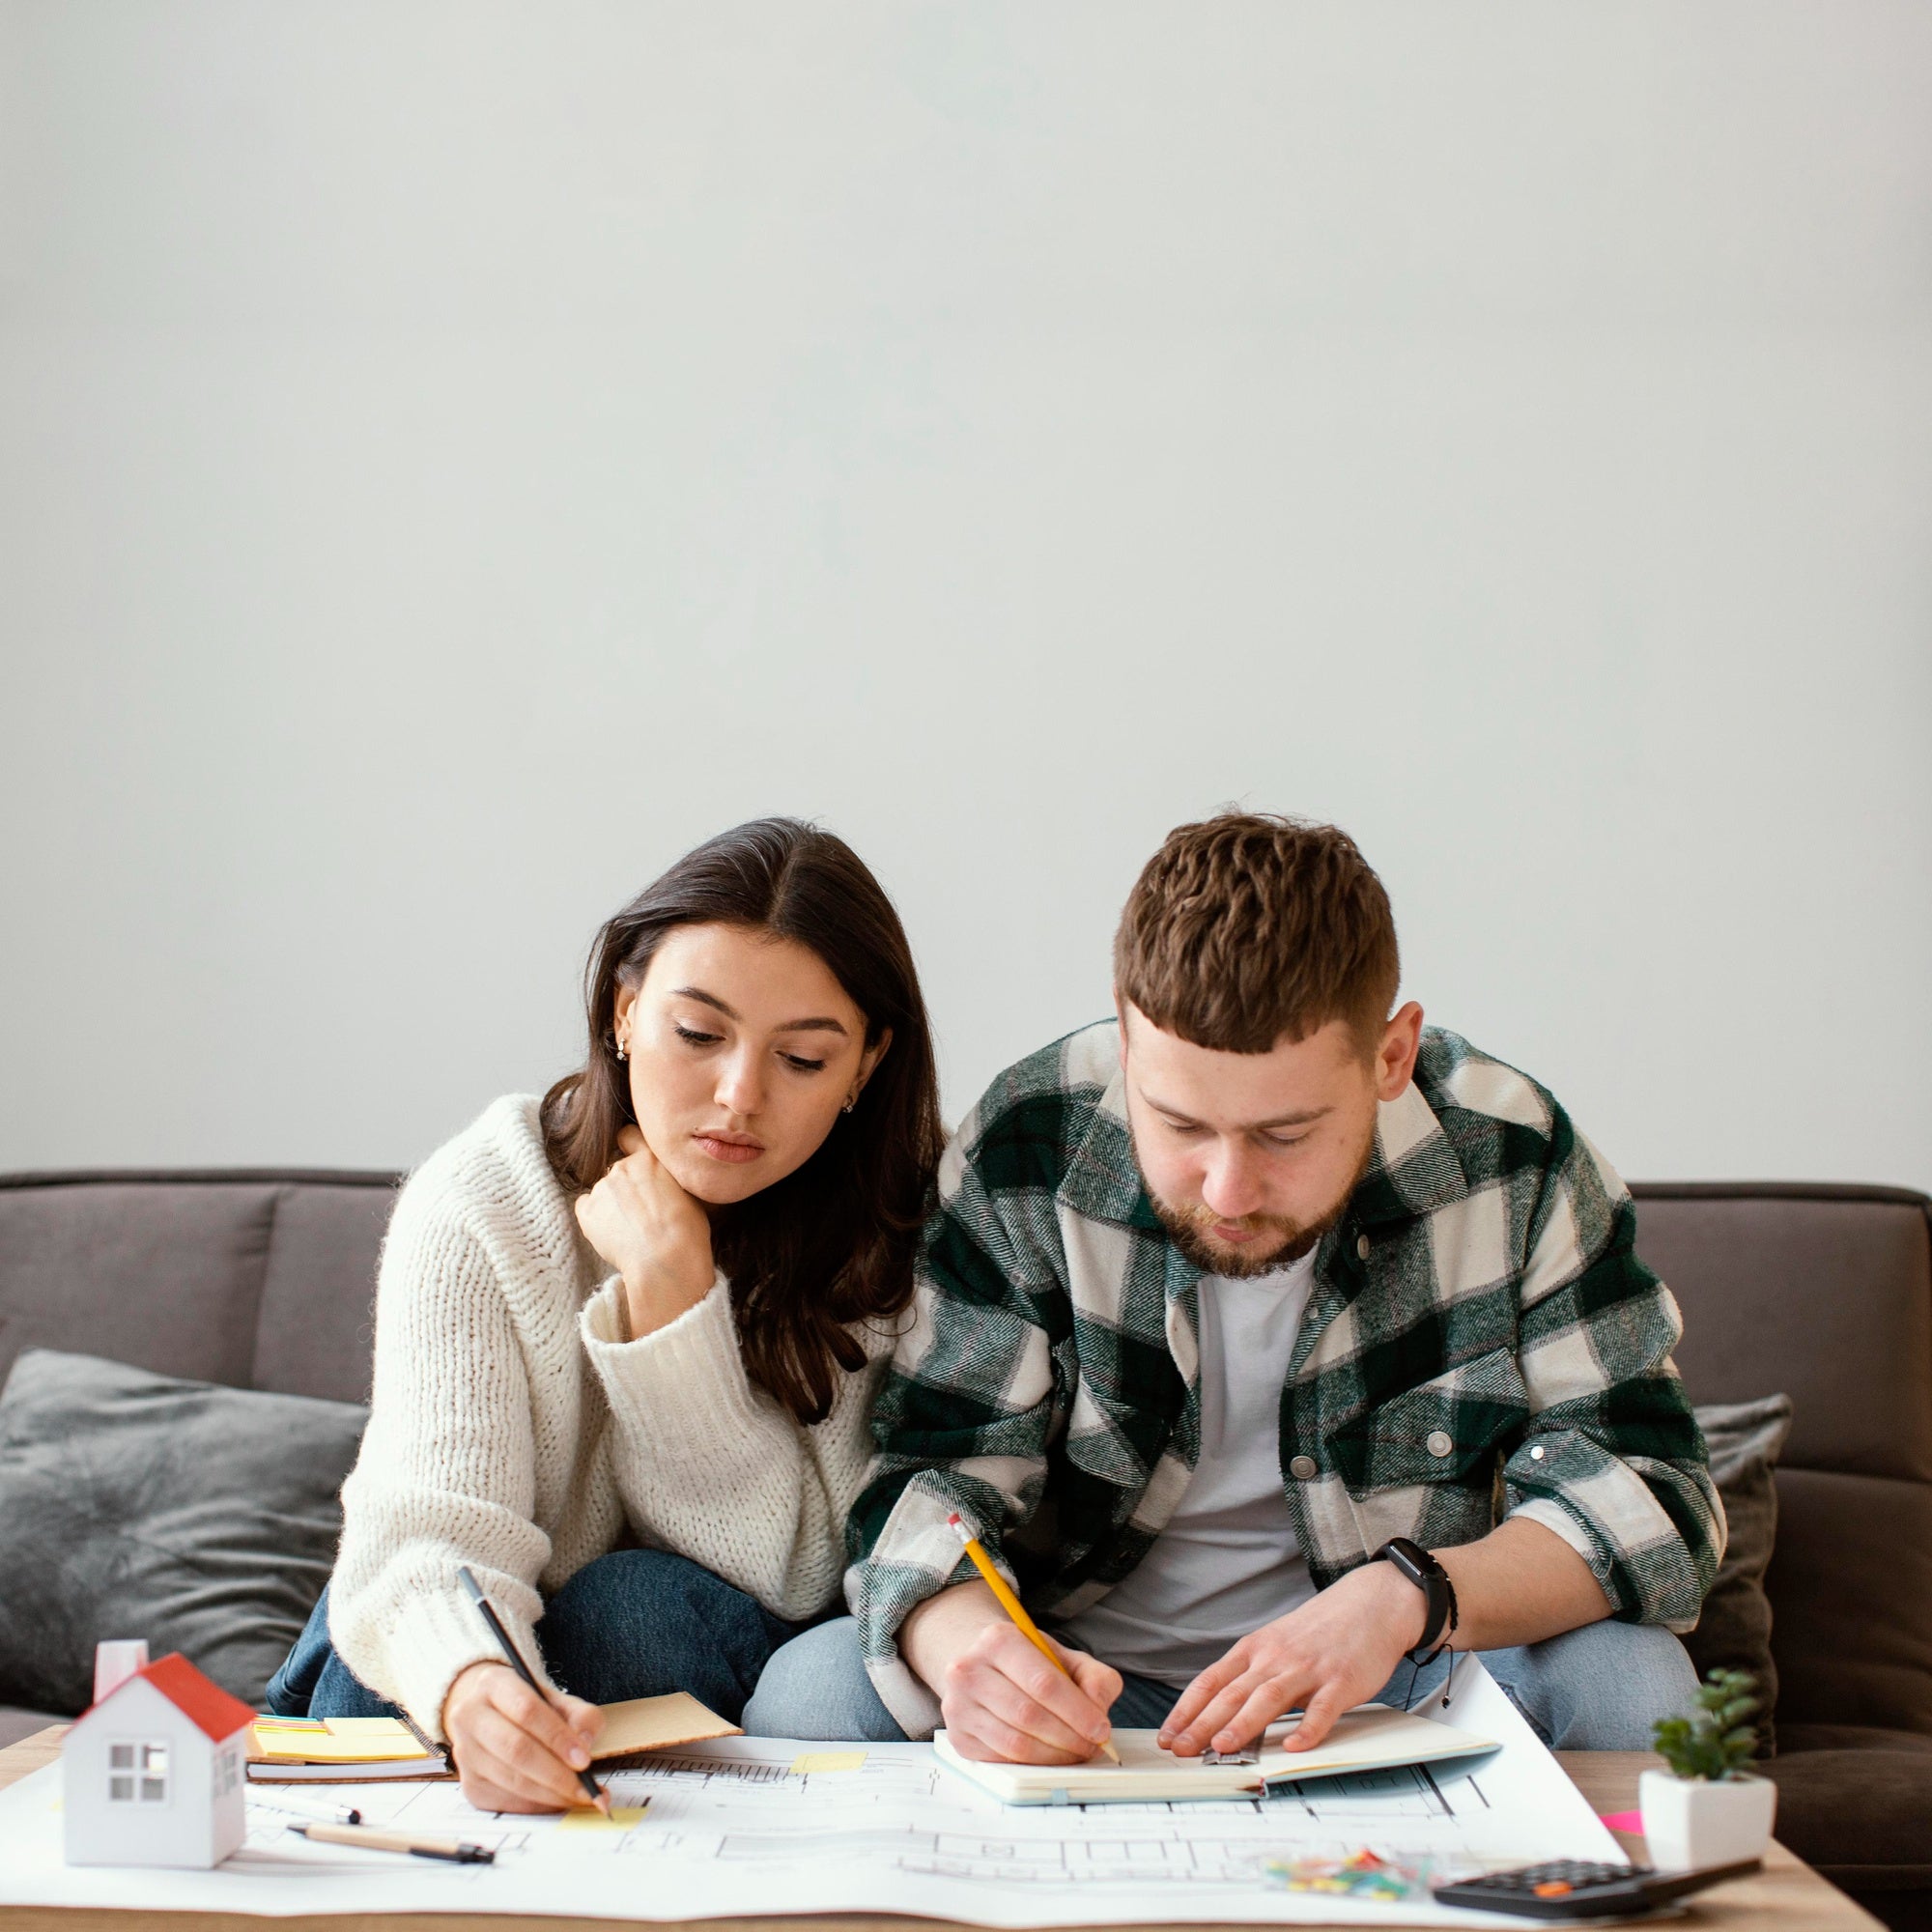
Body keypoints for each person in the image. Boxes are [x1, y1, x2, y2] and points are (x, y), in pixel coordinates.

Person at [744, 813, 1722, 1761]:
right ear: (1128, 1045)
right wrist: (973, 1653)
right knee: (811, 1692)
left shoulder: (1514, 1157)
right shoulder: (1026, 1142)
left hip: (1406, 1671)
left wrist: (1404, 1596)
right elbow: (932, 1478)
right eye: (1178, 1124)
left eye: (1282, 1134)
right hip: (1091, 1682)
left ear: (1390, 1055)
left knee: (1633, 1682)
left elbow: (1654, 1492)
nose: (1226, 1188)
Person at [267, 819, 943, 1812]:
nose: (736, 1096)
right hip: (451, 1644)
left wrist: (671, 1299)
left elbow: (799, 1571)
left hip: (703, 1653)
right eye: (698, 1034)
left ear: (864, 1066)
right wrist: (475, 1687)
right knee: (393, 1644)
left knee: (634, 1608)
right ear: (625, 1012)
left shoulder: (902, 1227)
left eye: (801, 1058)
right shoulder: (483, 1199)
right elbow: (426, 1530)